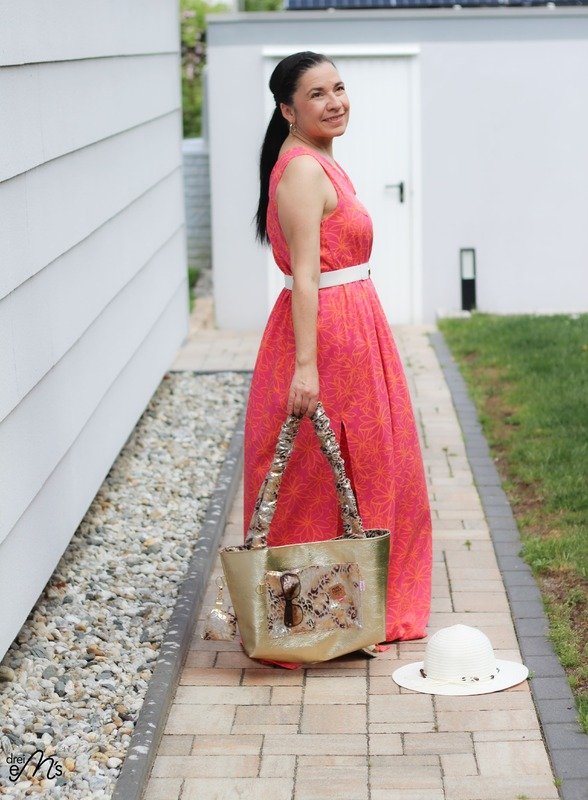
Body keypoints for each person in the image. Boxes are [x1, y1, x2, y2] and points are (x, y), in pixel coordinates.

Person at [243, 51, 432, 668]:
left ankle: (354, 611)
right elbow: (304, 275)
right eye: (317, 94)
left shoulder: (322, 160)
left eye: (339, 88)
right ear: (287, 110)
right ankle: (314, 617)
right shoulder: (301, 170)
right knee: (321, 471)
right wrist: (305, 367)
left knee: (366, 464)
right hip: (326, 335)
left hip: (355, 328)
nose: (335, 102)